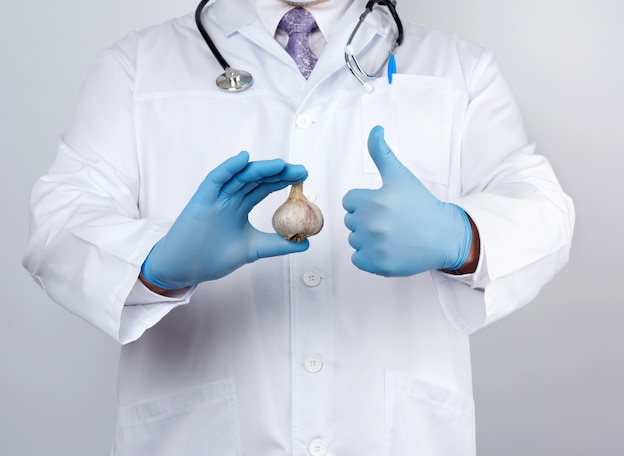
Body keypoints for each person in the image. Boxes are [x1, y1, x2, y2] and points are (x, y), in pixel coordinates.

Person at [22, 0, 575, 454]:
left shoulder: (458, 70)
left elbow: (544, 209)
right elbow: (59, 221)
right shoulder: (137, 67)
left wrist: (463, 237)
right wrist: (156, 263)